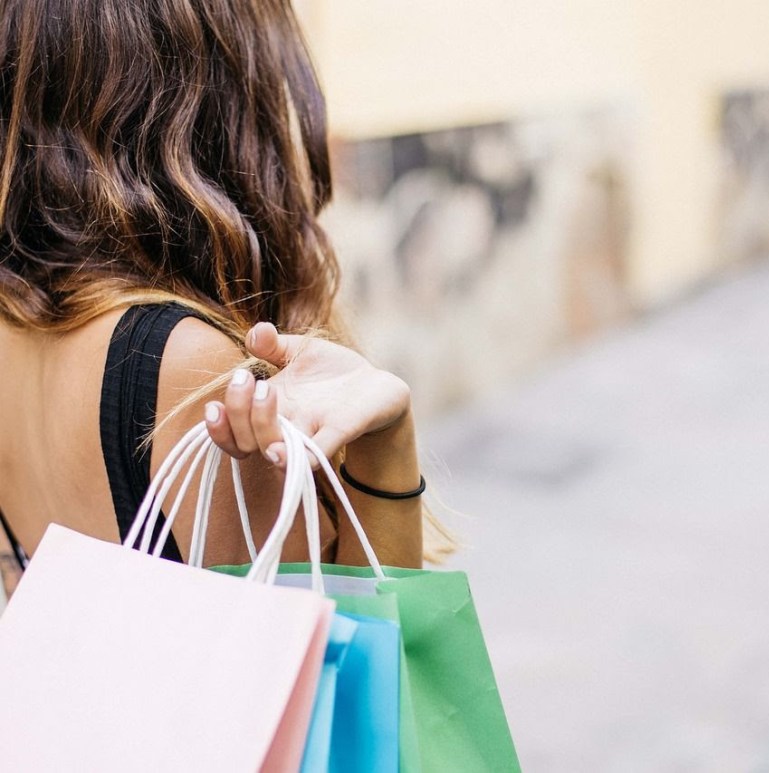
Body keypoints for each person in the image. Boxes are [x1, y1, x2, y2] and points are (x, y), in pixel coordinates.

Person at [0, 0, 446, 592]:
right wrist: (389, 447)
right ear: (231, 97)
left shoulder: (15, 322)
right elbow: (361, 660)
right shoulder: (190, 367)